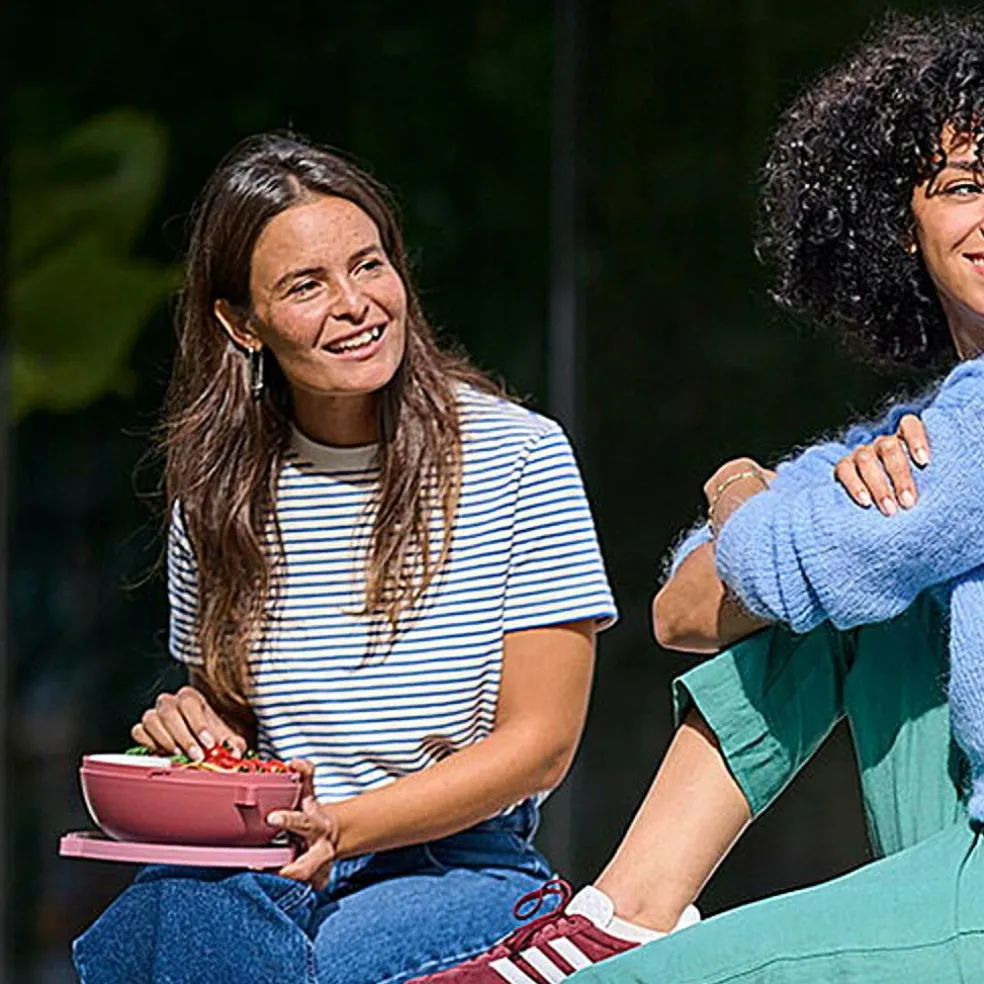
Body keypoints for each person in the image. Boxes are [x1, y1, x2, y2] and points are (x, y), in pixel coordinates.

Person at [411, 11, 984, 983]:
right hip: (952, 842)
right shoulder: (929, 428)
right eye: (964, 186)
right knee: (839, 601)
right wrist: (768, 509)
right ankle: (624, 912)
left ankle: (618, 937)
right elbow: (685, 608)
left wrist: (742, 485)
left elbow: (772, 564)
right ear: (904, 222)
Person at [72, 133, 620, 984]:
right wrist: (196, 729)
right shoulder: (215, 500)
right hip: (272, 856)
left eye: (369, 265)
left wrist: (345, 826)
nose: (355, 304)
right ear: (241, 324)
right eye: (306, 285)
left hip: (456, 860)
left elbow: (541, 743)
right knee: (164, 922)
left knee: (237, 959)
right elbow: (242, 729)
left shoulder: (516, 457)